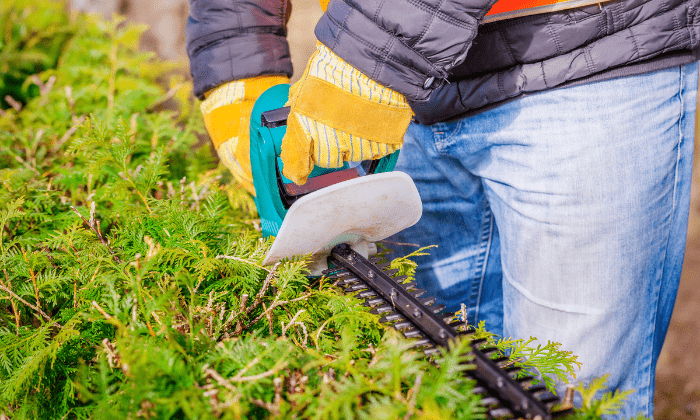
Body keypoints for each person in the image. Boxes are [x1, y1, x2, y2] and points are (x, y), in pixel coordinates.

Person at [186, 0, 700, 417]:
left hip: (588, 54)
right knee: (441, 377)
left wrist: (376, 51)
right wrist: (237, 50)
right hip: (404, 83)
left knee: (572, 389)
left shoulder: (376, 55)